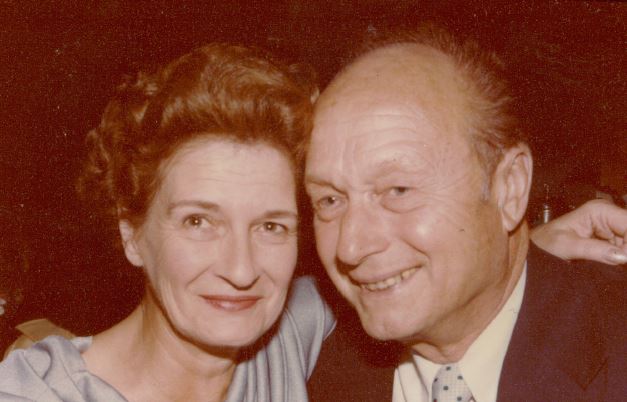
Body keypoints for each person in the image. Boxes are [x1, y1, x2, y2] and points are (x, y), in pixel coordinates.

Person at [305, 26, 627, 402]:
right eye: (329, 200)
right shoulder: (317, 378)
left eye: (398, 191)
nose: (350, 246)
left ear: (510, 189)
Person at [0, 43, 334, 402]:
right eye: (198, 221)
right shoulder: (37, 394)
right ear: (132, 232)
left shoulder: (288, 337)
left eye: (271, 227)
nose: (241, 271)